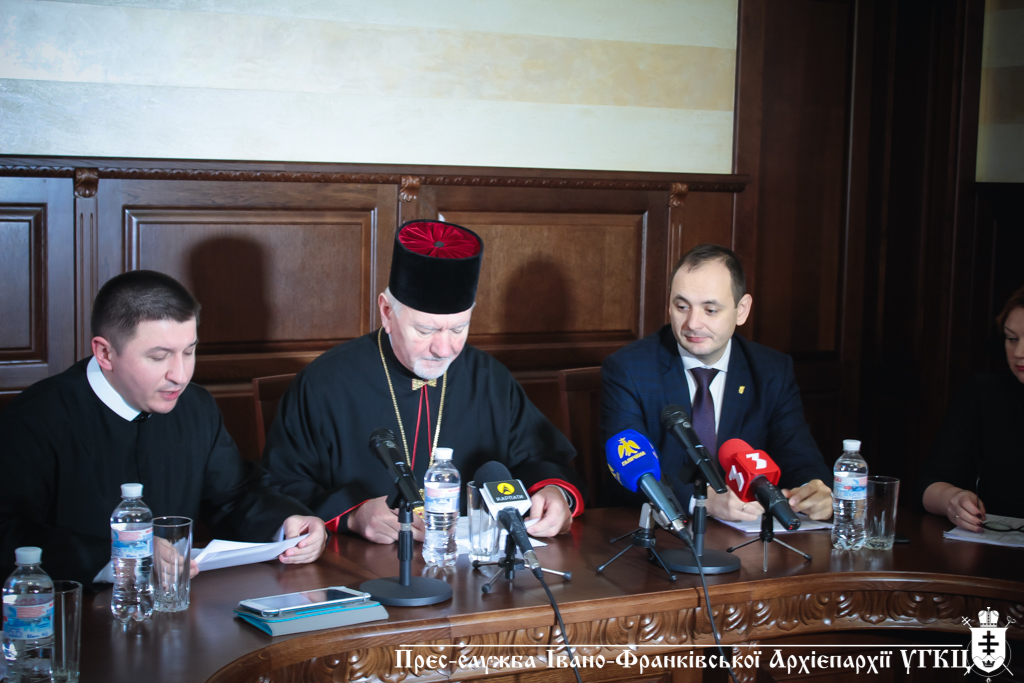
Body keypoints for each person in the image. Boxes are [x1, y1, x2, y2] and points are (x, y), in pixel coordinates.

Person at [263, 220, 584, 543]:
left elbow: (540, 458)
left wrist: (554, 493)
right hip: (359, 561)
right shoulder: (326, 383)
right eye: (426, 330)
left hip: (474, 561)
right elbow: (282, 484)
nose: (444, 349)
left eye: (458, 329)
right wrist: (352, 514)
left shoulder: (489, 379)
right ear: (387, 312)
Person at [0, 271, 327, 586]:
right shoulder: (36, 418)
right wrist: (121, 556)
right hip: (74, 608)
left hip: (177, 602)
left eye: (189, 351)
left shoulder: (196, 406)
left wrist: (287, 523)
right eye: (159, 357)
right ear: (105, 353)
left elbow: (236, 495)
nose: (180, 375)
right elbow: (9, 532)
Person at [601, 244, 833, 521]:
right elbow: (626, 469)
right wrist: (702, 502)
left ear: (741, 310)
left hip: (750, 535)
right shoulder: (630, 368)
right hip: (663, 531)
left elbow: (799, 455)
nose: (692, 323)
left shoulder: (771, 370)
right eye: (681, 306)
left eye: (710, 310)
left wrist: (813, 490)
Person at [919, 285, 1024, 529]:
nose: (1019, 352)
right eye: (1011, 339)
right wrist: (952, 499)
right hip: (992, 543)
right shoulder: (984, 392)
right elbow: (928, 485)